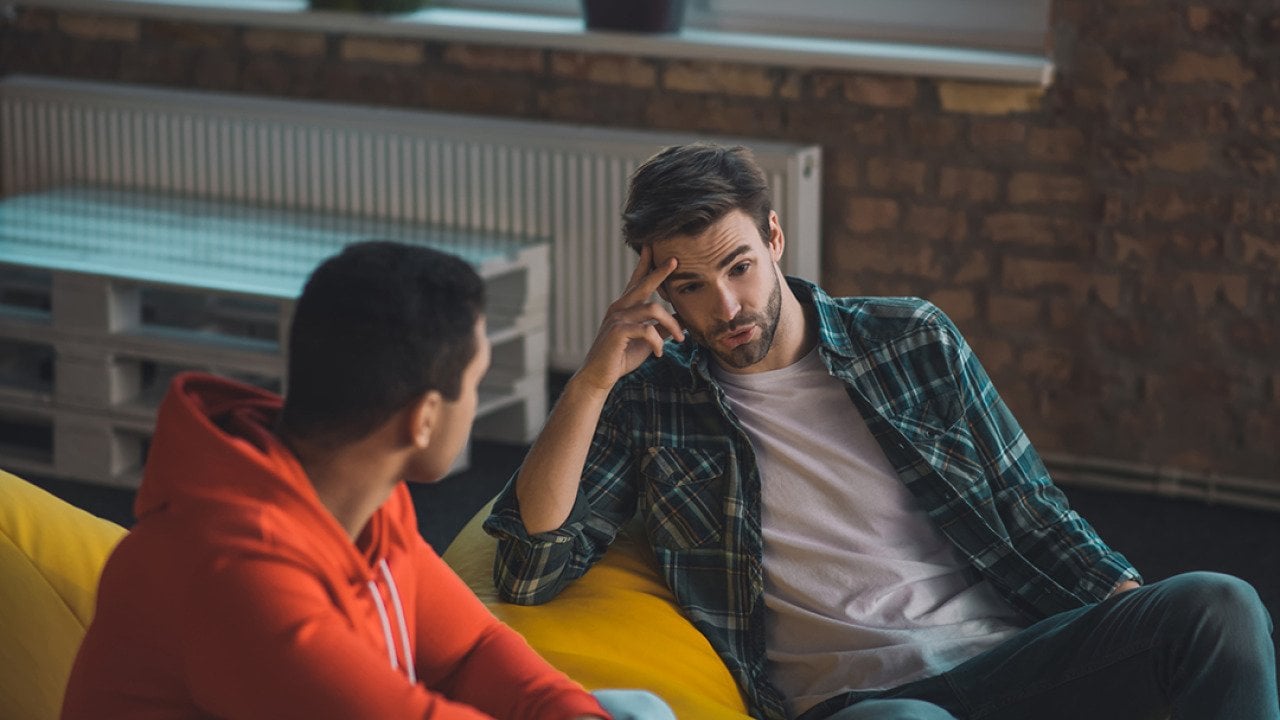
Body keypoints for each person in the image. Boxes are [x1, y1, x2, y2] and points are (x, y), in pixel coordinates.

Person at [484, 144, 1279, 720]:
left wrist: (1126, 627)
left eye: (738, 267)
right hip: (860, 704)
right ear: (657, 289)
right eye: (689, 286)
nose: (725, 308)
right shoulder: (650, 405)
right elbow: (528, 568)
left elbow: (1029, 507)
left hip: (1005, 660)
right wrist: (591, 379)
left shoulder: (909, 338)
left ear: (774, 238)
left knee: (1219, 604)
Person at [62, 241, 674, 720]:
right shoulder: (236, 577)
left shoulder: (363, 499)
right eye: (476, 381)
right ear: (423, 418)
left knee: (633, 710)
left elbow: (469, 650)